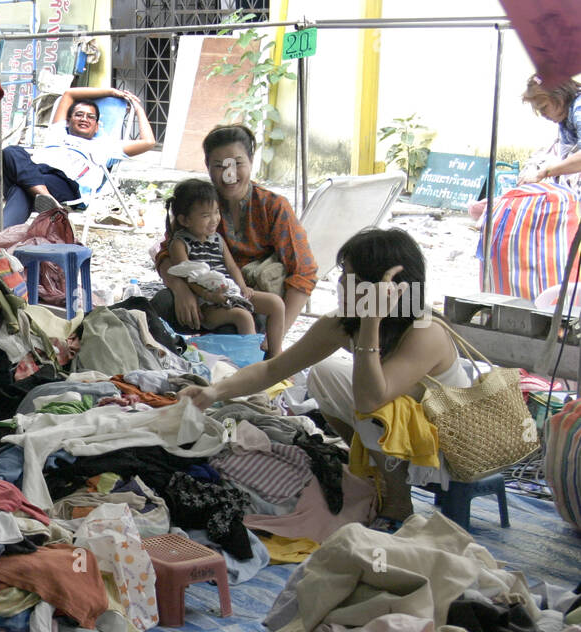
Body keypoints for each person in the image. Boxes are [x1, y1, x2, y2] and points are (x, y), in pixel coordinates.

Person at [178, 228, 469, 524]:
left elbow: (371, 398)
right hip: (404, 431)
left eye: (352, 276)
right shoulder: (345, 323)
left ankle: (398, 502)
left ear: (386, 287)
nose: (341, 283)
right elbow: (274, 369)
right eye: (344, 274)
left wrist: (371, 321)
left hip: (448, 448)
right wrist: (214, 392)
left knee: (375, 406)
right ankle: (378, 470)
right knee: (323, 374)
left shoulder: (425, 331)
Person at [153, 125, 316, 355]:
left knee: (234, 325)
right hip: (202, 296)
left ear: (251, 162)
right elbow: (166, 253)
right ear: (207, 166)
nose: (229, 174)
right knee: (160, 304)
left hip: (250, 301)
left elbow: (304, 273)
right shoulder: (199, 201)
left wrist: (274, 338)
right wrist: (181, 289)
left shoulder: (273, 207)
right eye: (219, 166)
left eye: (237, 164)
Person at [0, 87, 156, 229]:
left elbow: (149, 142)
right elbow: (69, 94)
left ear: (97, 126)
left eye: (90, 117)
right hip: (37, 173)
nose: (84, 118)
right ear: (68, 121)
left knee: (21, 189)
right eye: (79, 114)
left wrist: (138, 107)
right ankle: (46, 200)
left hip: (66, 184)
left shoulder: (105, 146)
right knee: (11, 151)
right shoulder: (57, 132)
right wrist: (112, 92)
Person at [162, 178, 285, 343]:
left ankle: (275, 354)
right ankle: (250, 362)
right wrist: (209, 295)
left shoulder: (217, 239)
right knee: (243, 317)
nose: (214, 219)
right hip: (206, 304)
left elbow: (232, 266)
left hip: (230, 291)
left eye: (216, 212)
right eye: (206, 215)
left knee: (276, 303)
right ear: (185, 220)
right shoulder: (179, 244)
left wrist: (242, 287)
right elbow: (188, 276)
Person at [518, 74, 581, 193]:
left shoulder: (579, 108)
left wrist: (544, 172)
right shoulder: (565, 122)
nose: (542, 114)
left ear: (559, 96)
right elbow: (567, 163)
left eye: (544, 107)